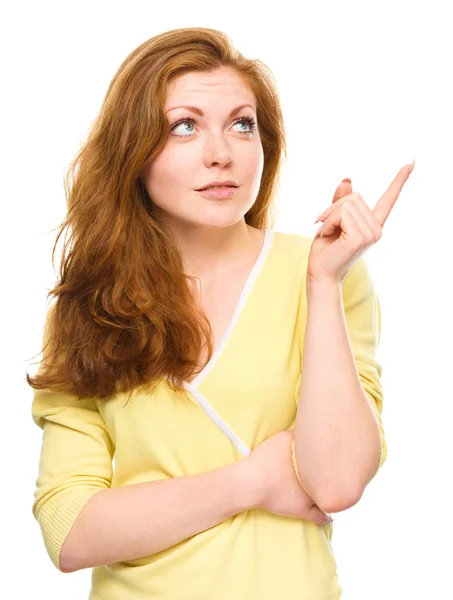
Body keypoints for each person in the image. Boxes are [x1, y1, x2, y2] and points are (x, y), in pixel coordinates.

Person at [28, 26, 409, 599]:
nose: (221, 153)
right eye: (185, 125)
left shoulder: (323, 273)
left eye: (242, 124)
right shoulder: (90, 305)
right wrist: (252, 481)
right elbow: (69, 531)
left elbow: (335, 483)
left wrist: (325, 283)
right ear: (133, 149)